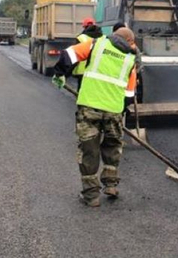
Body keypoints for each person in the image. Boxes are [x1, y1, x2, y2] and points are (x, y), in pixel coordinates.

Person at [52, 27, 137, 208]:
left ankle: (91, 196)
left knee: (89, 150)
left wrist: (60, 73)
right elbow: (129, 94)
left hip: (90, 107)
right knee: (113, 146)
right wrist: (120, 109)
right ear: (129, 41)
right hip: (113, 111)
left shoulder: (96, 45)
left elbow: (69, 55)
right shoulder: (130, 59)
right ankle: (111, 185)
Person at [72, 18, 103, 90]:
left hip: (82, 71)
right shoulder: (103, 38)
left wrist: (66, 72)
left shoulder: (80, 38)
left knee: (81, 90)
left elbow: (75, 55)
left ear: (85, 27)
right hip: (97, 70)